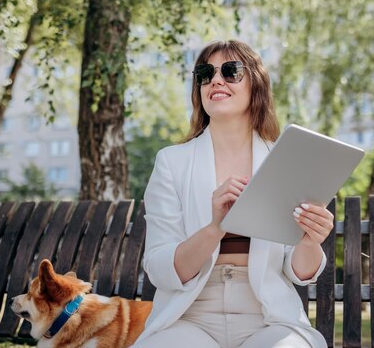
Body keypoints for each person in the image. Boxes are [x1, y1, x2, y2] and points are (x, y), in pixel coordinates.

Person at [132, 40, 333, 348]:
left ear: (257, 85)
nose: (216, 80)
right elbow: (160, 269)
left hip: (268, 317)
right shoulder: (172, 162)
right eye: (205, 73)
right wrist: (214, 230)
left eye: (231, 71)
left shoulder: (285, 161)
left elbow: (300, 272)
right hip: (190, 315)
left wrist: (310, 240)